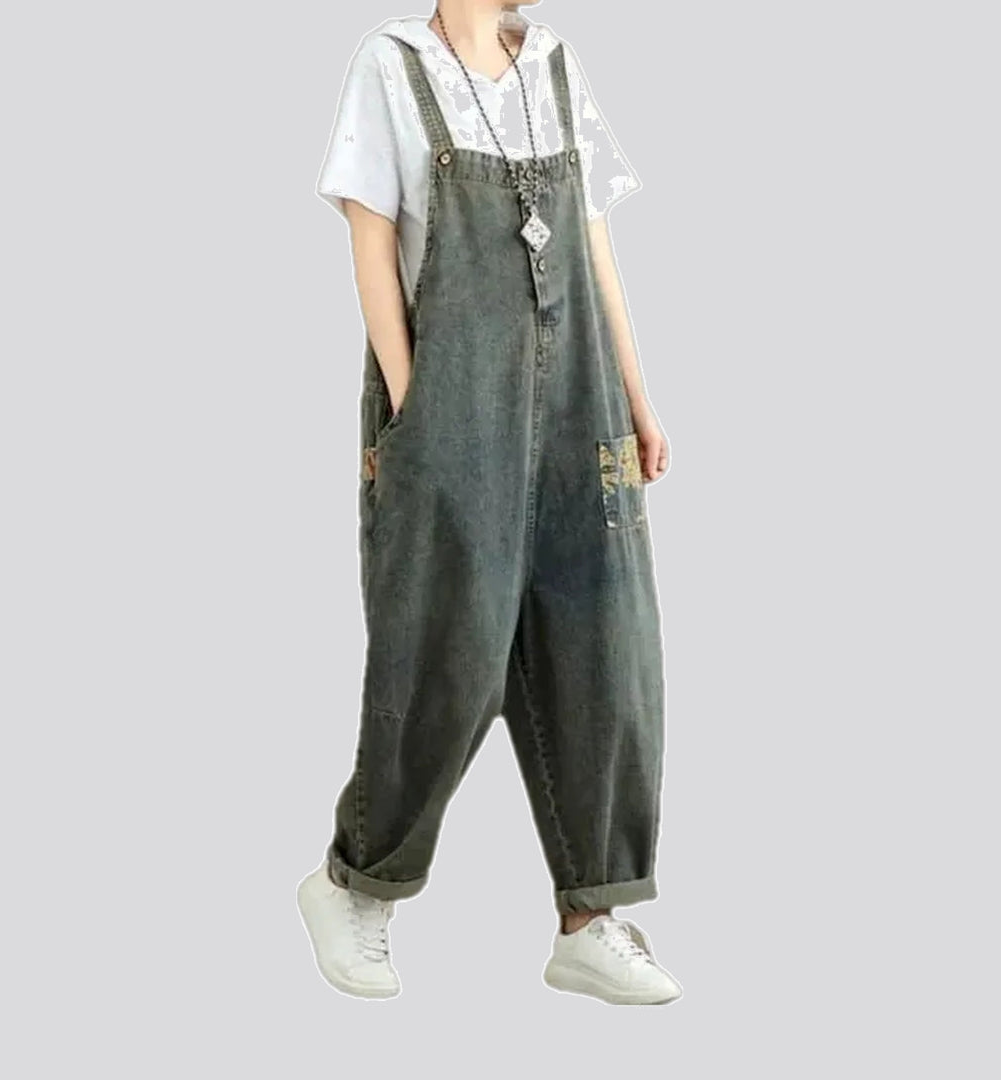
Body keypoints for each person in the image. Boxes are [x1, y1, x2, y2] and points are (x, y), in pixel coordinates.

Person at [296, 1, 680, 1006]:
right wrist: (416, 408)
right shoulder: (390, 65)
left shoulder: (553, 65)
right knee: (447, 657)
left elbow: (592, 241)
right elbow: (372, 243)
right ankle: (355, 885)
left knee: (608, 653)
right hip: (451, 402)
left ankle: (590, 918)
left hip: (581, 407)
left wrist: (636, 399)